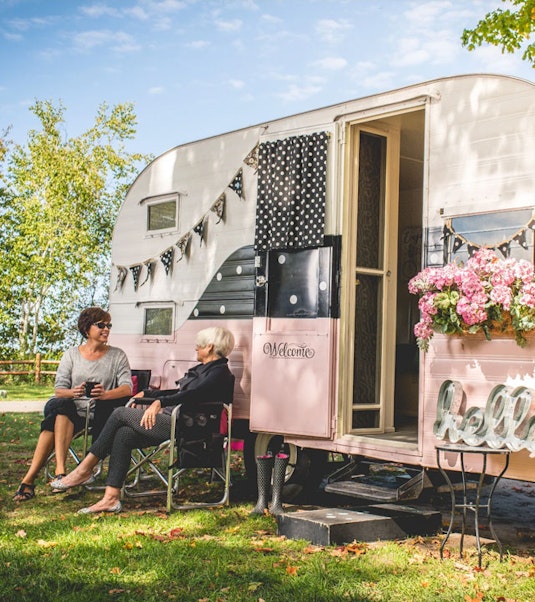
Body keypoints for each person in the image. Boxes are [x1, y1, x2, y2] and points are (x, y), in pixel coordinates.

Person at [50, 326, 235, 514]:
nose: (195, 348)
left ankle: (85, 469)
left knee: (120, 413)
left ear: (210, 347)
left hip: (188, 428)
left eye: (199, 345)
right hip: (173, 421)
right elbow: (179, 392)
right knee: (124, 434)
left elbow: (193, 395)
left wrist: (159, 403)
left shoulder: (219, 373)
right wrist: (148, 393)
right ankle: (111, 498)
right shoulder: (204, 370)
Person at [13, 307, 132, 502]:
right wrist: (74, 392)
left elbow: (127, 388)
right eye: (101, 325)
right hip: (72, 409)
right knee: (62, 406)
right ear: (87, 329)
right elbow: (59, 390)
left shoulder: (117, 355)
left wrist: (104, 394)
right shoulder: (71, 355)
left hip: (99, 413)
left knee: (54, 419)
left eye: (109, 325)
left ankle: (30, 480)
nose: (106, 329)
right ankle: (60, 472)